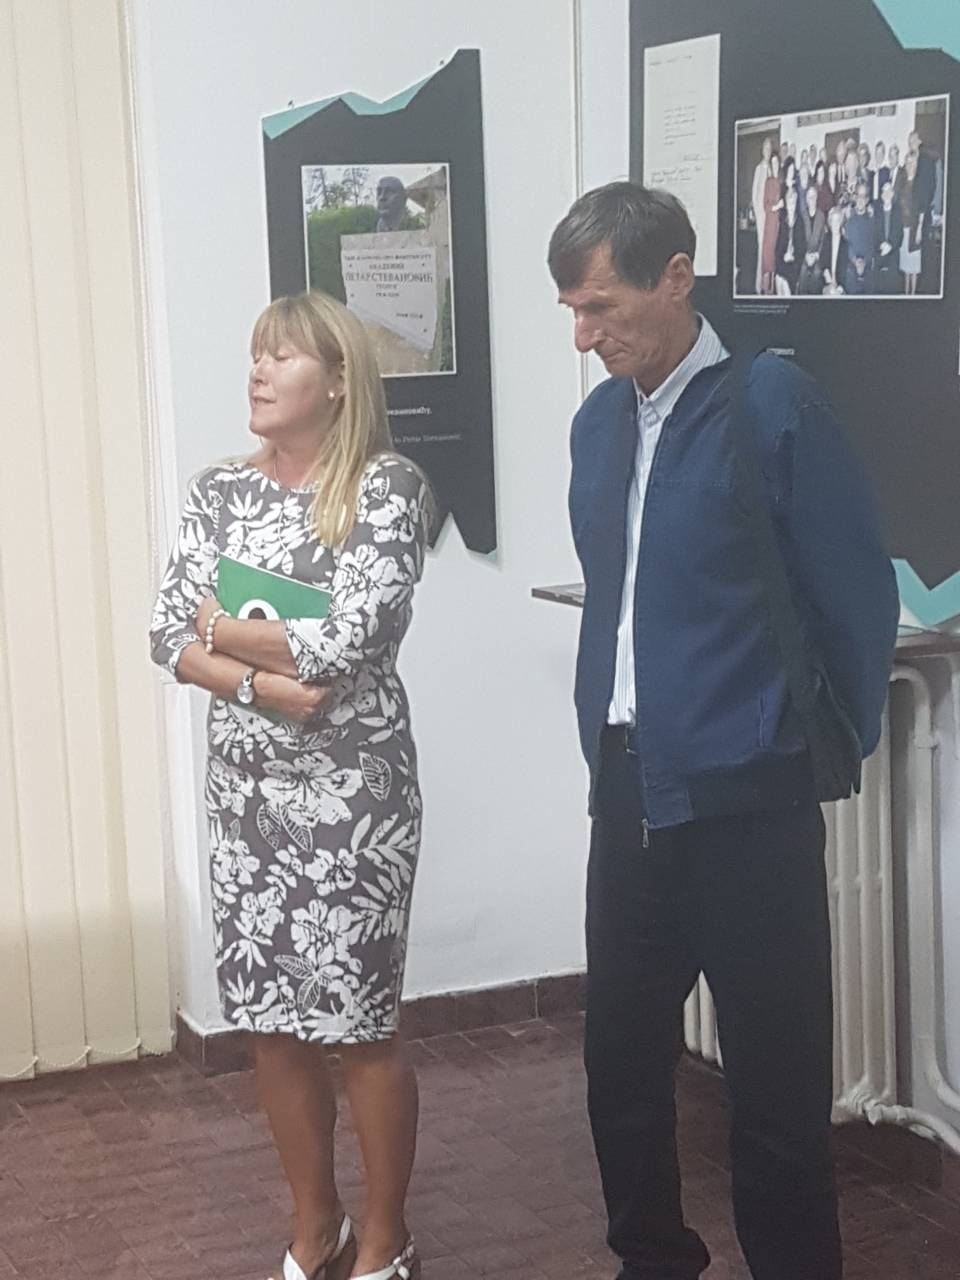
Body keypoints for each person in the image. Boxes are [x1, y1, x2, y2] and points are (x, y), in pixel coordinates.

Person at [547, 180, 898, 1280]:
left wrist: (810, 737)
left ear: (675, 276)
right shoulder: (598, 425)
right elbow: (615, 597)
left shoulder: (772, 405)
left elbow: (856, 596)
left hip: (754, 797)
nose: (584, 337)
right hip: (628, 790)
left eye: (601, 307)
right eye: (572, 310)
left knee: (777, 1087)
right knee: (620, 1067)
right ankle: (653, 1261)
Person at [150, 290, 433, 1280]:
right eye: (255, 355)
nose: (258, 372)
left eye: (282, 356)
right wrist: (262, 681)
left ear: (340, 380)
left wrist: (218, 628)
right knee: (273, 1022)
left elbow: (352, 638)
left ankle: (387, 1235)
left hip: (354, 799)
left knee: (360, 1023)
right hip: (249, 800)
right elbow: (164, 630)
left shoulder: (386, 488)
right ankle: (317, 1225)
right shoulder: (220, 492)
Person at [843, 181, 876, 294]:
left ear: (867, 200)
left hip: (866, 263)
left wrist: (864, 261)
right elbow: (847, 243)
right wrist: (855, 260)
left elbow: (872, 244)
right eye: (858, 196)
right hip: (852, 263)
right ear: (855, 198)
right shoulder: (849, 217)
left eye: (864, 196)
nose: (861, 200)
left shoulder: (871, 220)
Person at [899, 150, 924, 294]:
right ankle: (905, 294)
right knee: (905, 266)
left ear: (916, 164)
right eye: (908, 163)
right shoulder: (902, 182)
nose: (910, 165)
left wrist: (919, 228)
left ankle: (913, 295)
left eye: (912, 163)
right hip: (903, 228)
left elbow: (922, 209)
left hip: (914, 229)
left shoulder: (919, 184)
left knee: (914, 266)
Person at [874, 179, 903, 293]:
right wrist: (880, 245)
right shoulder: (876, 212)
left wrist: (890, 246)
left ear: (892, 194)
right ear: (881, 195)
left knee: (892, 285)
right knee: (878, 286)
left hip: (893, 251)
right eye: (884, 191)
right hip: (879, 251)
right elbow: (873, 234)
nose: (886, 194)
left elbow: (900, 235)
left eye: (889, 191)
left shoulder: (898, 211)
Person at [775, 182, 805, 294]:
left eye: (793, 203)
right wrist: (784, 256)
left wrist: (792, 256)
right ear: (786, 204)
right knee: (779, 277)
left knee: (784, 281)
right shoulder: (783, 221)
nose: (791, 206)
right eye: (789, 202)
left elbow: (802, 248)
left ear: (796, 203)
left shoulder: (800, 222)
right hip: (783, 259)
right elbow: (778, 246)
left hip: (795, 262)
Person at [752, 137, 773, 293]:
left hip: (770, 216)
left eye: (769, 149)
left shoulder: (772, 168)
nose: (768, 151)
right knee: (761, 248)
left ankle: (768, 286)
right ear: (762, 150)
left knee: (768, 249)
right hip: (761, 215)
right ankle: (758, 286)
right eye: (766, 148)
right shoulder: (759, 169)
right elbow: (754, 194)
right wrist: (759, 212)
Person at [798, 182, 827, 294]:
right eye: (809, 197)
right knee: (802, 274)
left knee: (817, 273)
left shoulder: (821, 216)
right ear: (806, 199)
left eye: (814, 196)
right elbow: (799, 240)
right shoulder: (802, 216)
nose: (812, 199)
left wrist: (816, 255)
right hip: (804, 255)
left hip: (816, 256)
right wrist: (805, 255)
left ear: (817, 198)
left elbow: (823, 239)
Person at [762, 153, 784, 294]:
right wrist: (776, 207)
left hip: (780, 224)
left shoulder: (782, 181)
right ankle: (766, 290)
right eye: (773, 163)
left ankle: (775, 291)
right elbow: (765, 205)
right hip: (770, 223)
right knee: (768, 254)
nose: (775, 165)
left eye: (777, 162)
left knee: (777, 255)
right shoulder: (769, 182)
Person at [821, 204, 851, 294]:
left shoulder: (845, 244)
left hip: (840, 283)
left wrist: (839, 287)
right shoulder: (826, 239)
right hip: (827, 281)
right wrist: (826, 273)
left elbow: (844, 268)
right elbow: (822, 261)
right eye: (833, 221)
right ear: (830, 223)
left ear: (841, 223)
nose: (835, 224)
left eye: (837, 221)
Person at [871, 140, 890, 205]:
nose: (878, 156)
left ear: (883, 155)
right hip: (872, 203)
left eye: (880, 153)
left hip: (882, 204)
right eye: (877, 153)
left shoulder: (887, 171)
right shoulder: (872, 172)